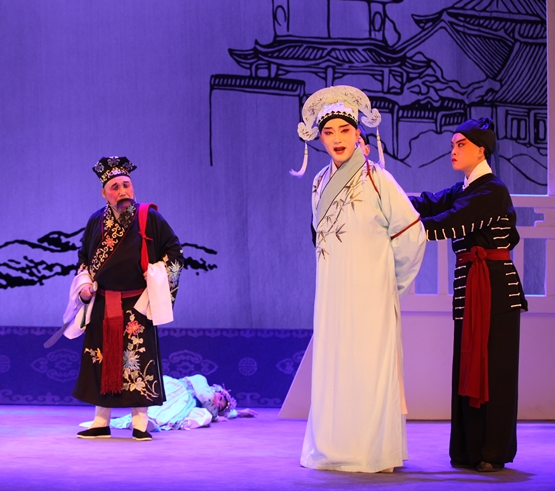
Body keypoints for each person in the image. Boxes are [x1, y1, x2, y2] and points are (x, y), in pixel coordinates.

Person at [293, 85, 426, 473]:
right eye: (328, 131)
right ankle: (333, 447)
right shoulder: (319, 182)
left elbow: (412, 234)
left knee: (369, 367)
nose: (337, 138)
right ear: (319, 138)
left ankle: (373, 451)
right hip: (332, 292)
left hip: (372, 293)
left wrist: (391, 284)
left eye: (345, 130)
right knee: (335, 364)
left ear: (358, 134)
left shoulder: (379, 179)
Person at [408, 118, 526, 473]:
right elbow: (428, 204)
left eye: (461, 144)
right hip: (470, 285)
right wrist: (382, 195)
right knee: (467, 364)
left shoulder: (492, 191)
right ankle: (468, 449)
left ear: (481, 150)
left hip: (495, 289)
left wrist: (400, 229)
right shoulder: (465, 189)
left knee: (495, 370)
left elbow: (448, 222)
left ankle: (492, 450)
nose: (454, 151)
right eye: (452, 145)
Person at [63, 156, 184, 441]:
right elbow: (84, 259)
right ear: (104, 193)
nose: (122, 192)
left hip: (137, 304)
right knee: (101, 360)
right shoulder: (95, 221)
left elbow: (174, 252)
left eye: (126, 185)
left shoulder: (148, 217)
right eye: (115, 187)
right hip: (103, 302)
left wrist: (156, 275)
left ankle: (140, 423)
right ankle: (100, 422)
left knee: (136, 361)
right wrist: (84, 285)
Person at [103, 374, 257, 432]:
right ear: (218, 390)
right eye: (221, 398)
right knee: (170, 402)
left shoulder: (205, 408)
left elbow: (214, 410)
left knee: (201, 416)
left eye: (219, 406)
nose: (217, 402)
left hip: (185, 405)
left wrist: (239, 413)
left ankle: (147, 423)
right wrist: (216, 416)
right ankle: (143, 419)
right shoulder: (201, 380)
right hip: (176, 389)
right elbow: (205, 396)